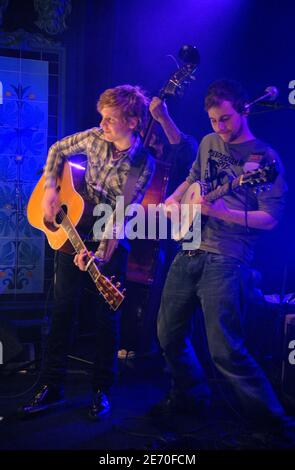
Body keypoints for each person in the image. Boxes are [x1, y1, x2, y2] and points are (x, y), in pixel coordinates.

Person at [153, 79, 295, 441]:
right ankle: (193, 396)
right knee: (167, 334)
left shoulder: (265, 159)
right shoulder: (207, 142)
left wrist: (221, 212)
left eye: (226, 119)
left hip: (228, 256)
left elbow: (272, 219)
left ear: (244, 110)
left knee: (225, 349)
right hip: (190, 245)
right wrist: (174, 198)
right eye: (214, 120)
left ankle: (275, 424)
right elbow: (193, 178)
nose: (220, 127)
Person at [20, 84, 155, 420]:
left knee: (105, 317)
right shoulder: (95, 138)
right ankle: (52, 387)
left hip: (108, 229)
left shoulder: (142, 165)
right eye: (102, 117)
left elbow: (120, 215)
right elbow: (57, 149)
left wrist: (100, 253)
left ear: (133, 122)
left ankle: (101, 390)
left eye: (110, 119)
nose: (103, 124)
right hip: (75, 218)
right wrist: (51, 189)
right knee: (63, 310)